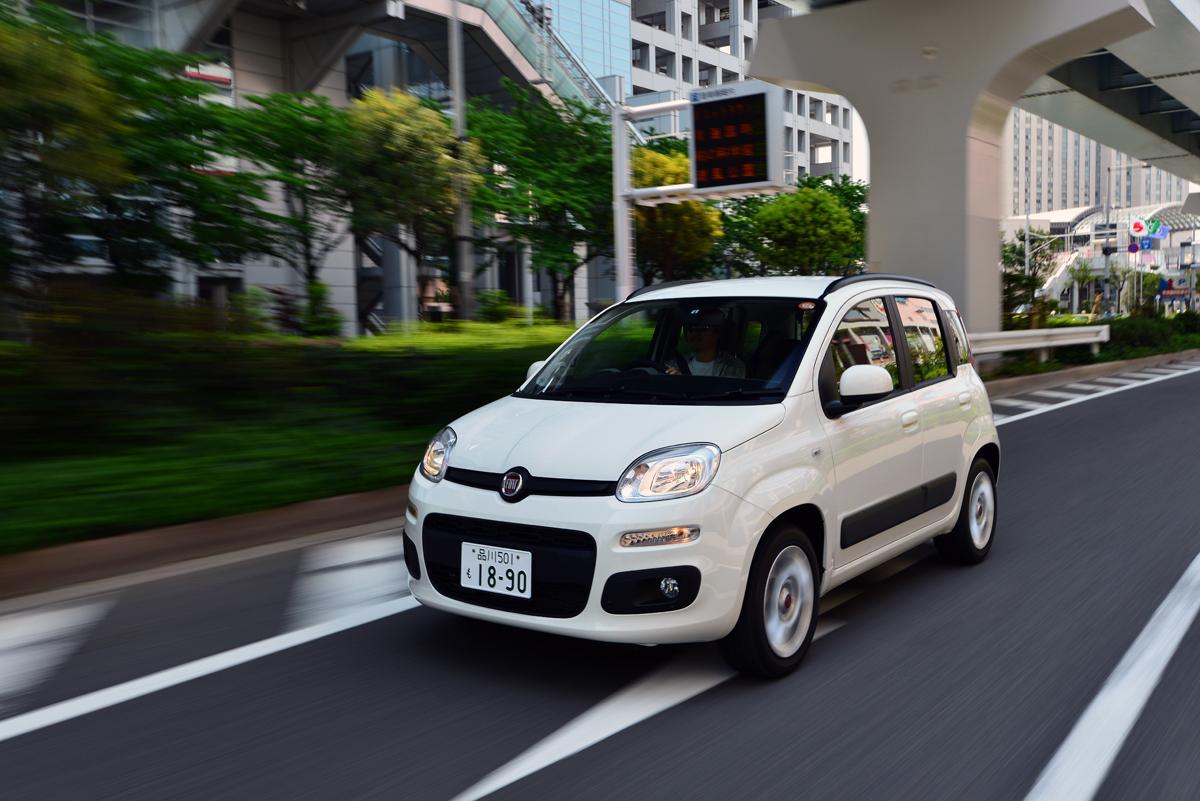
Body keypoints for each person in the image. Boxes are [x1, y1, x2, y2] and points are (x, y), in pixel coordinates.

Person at [667, 306, 746, 378]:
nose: (695, 334)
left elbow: (726, 392)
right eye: (690, 329)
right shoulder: (674, 365)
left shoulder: (733, 367)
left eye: (702, 328)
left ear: (717, 333)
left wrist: (684, 382)